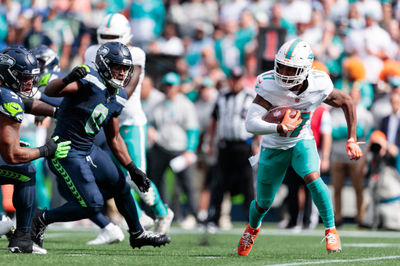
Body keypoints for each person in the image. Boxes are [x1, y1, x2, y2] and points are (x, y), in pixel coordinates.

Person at [30, 42, 171, 250]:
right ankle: (41, 218)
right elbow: (51, 90)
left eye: (125, 68)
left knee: (121, 186)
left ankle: (137, 233)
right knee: (92, 204)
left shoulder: (119, 95)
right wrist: (68, 78)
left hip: (88, 149)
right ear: (105, 65)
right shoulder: (89, 82)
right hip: (66, 150)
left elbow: (114, 138)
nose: (123, 73)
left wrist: (133, 169)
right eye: (118, 67)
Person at [237, 39, 362, 256]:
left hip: (301, 141)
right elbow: (250, 124)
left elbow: (346, 101)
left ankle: (331, 229)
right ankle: (252, 228)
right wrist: (278, 127)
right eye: (281, 66)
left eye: (291, 68)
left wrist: (352, 138)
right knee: (263, 203)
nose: (284, 73)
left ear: (305, 70)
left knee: (313, 177)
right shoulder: (268, 85)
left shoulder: (319, 84)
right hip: (273, 146)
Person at [84, 13, 174, 242]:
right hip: (104, 118)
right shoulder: (91, 52)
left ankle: (162, 213)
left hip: (129, 119)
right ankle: (140, 217)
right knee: (115, 177)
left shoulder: (135, 54)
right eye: (105, 36)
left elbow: (127, 88)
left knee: (136, 176)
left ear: (126, 36)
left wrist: (105, 105)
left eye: (114, 36)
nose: (108, 41)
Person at [0, 46, 71, 254]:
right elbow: (12, 155)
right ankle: (22, 238)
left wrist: (58, 111)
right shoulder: (7, 97)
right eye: (24, 77)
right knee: (26, 170)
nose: (29, 83)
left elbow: (28, 103)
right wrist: (47, 149)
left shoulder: (6, 91)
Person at [147, 72, 200, 229]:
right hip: (161, 148)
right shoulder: (158, 104)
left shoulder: (185, 104)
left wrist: (190, 150)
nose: (168, 88)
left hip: (179, 150)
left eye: (171, 86)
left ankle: (194, 214)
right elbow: (150, 123)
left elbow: (192, 129)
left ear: (177, 87)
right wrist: (150, 129)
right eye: (167, 85)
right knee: (155, 181)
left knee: (187, 184)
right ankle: (159, 212)